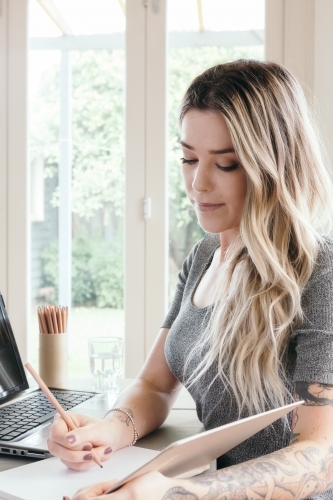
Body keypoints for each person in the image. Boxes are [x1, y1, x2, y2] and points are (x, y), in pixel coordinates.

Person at [49, 60, 333, 500]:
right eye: (188, 158)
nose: (197, 183)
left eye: (227, 164)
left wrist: (179, 492)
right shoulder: (205, 254)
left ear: (276, 165)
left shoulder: (320, 268)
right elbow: (154, 385)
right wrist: (107, 430)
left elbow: (321, 454)